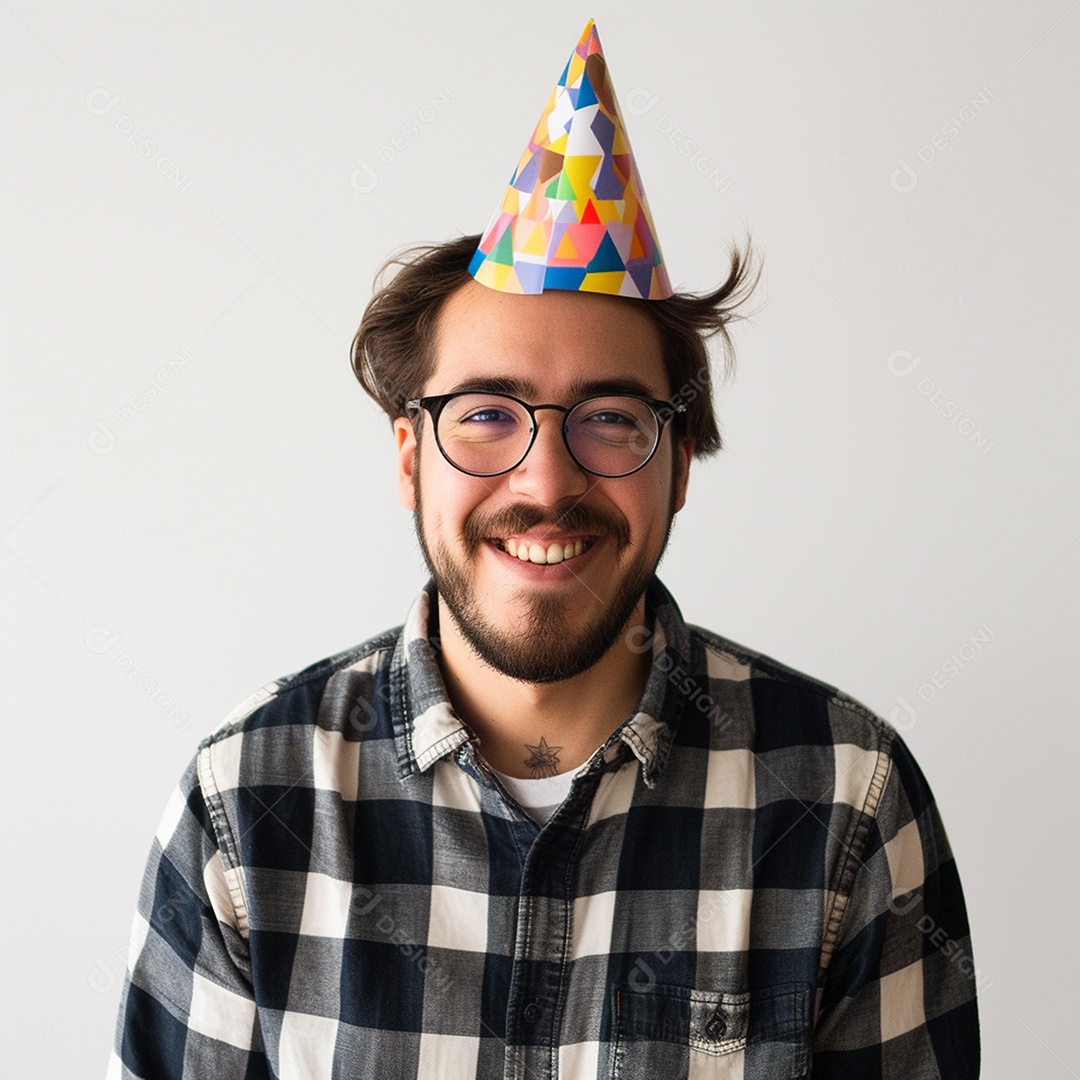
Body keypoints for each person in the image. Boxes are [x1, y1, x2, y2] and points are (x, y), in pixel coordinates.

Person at [110, 20, 980, 1079]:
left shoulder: (847, 801)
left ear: (681, 464)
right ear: (408, 457)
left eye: (611, 418)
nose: (548, 481)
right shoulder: (248, 804)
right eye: (486, 414)